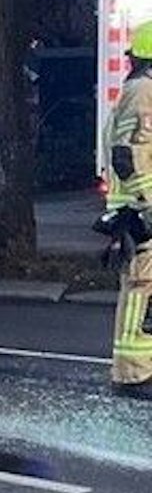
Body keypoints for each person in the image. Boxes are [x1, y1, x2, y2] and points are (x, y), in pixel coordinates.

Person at [105, 23, 152, 400]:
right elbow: (128, 156)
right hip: (141, 212)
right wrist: (147, 204)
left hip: (139, 209)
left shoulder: (140, 89)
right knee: (141, 289)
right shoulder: (143, 92)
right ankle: (133, 374)